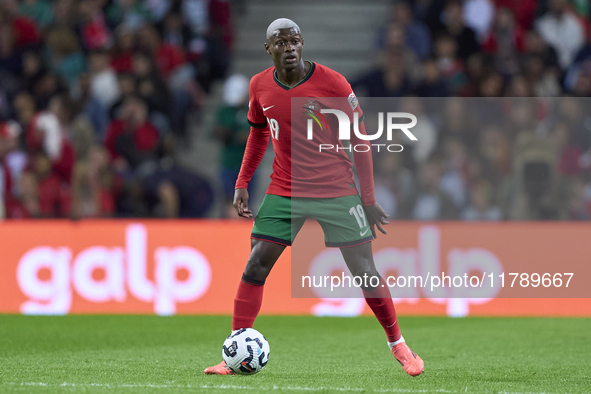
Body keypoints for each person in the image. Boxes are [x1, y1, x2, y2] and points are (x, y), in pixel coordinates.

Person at [204, 18, 424, 377]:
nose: (289, 47)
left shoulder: (333, 83)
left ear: (302, 44)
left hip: (335, 188)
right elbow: (259, 134)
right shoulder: (259, 85)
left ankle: (398, 344)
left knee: (365, 272)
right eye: (280, 42)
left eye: (294, 41)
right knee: (256, 263)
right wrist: (242, 182)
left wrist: (367, 199)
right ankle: (235, 350)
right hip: (285, 188)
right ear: (268, 49)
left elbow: (361, 140)